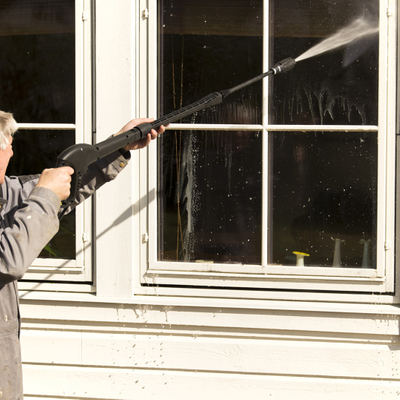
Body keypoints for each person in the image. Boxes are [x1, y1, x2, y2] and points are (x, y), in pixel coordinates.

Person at [0, 111, 165, 399]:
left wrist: (120, 143)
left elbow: (67, 183)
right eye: (7, 144)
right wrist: (46, 196)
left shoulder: (6, 193)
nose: (12, 150)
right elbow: (9, 259)